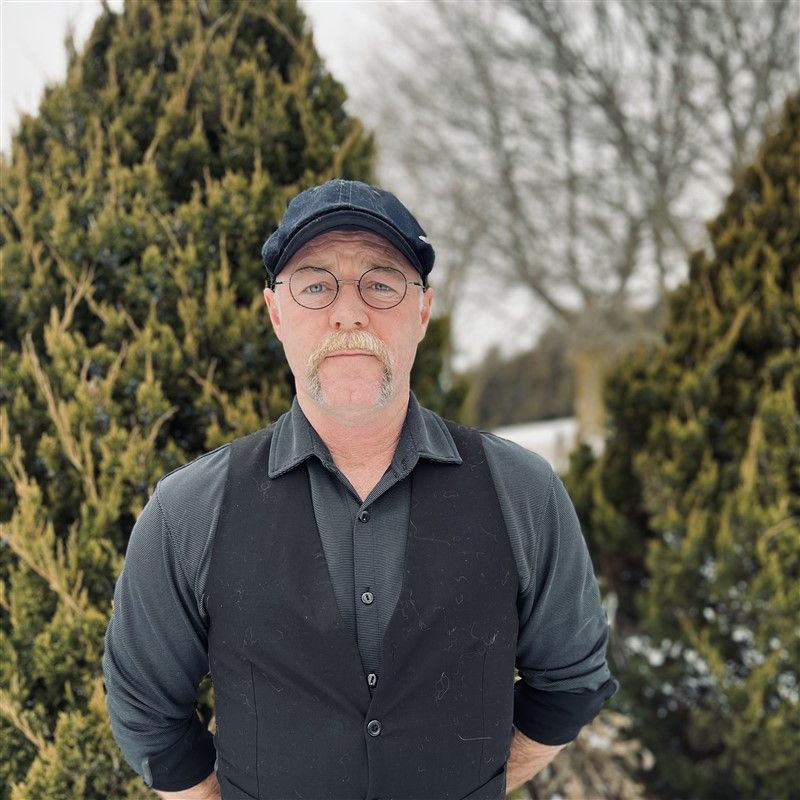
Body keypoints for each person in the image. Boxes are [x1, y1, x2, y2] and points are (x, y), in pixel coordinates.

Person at [103, 179, 617, 800]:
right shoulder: (187, 512)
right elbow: (148, 719)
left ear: (422, 312)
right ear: (276, 313)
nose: (349, 311)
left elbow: (570, 688)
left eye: (380, 282)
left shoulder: (523, 493)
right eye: (316, 285)